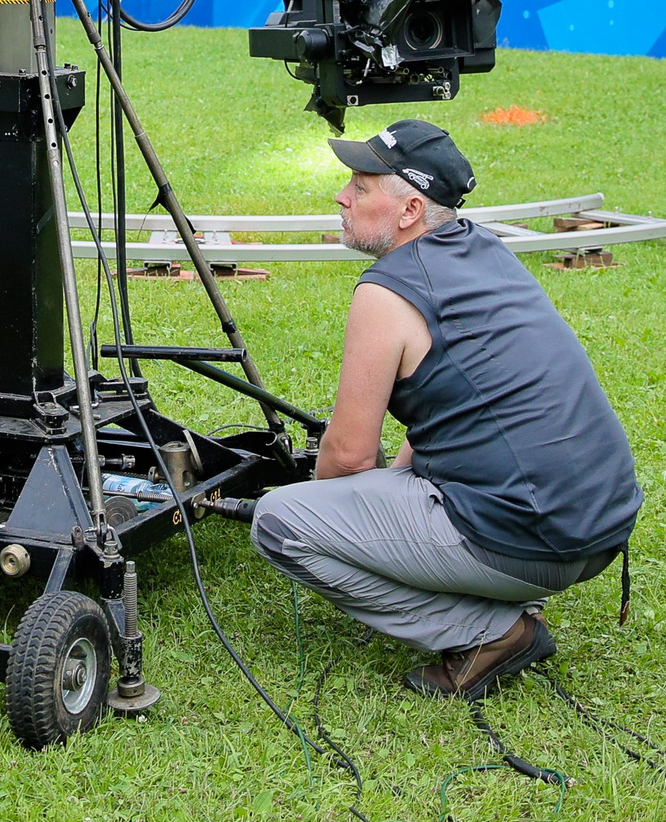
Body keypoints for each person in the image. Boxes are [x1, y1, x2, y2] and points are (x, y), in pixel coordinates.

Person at [250, 121, 641, 701]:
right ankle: (493, 588)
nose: (341, 196)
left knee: (281, 522)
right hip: (600, 527)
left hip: (538, 540)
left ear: (409, 209)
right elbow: (447, 408)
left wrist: (337, 512)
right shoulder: (483, 250)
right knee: (399, 486)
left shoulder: (386, 292)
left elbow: (348, 456)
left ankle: (492, 632)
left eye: (360, 186)